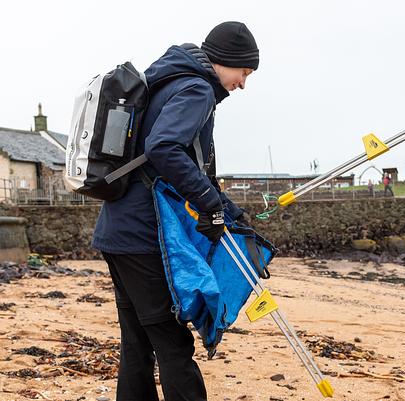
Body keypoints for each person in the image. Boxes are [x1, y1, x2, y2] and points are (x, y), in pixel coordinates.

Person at [91, 21, 259, 401]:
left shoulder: (169, 79)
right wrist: (210, 202)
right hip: (142, 236)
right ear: (226, 61)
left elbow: (182, 162)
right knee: (171, 343)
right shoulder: (197, 88)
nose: (243, 83)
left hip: (117, 231)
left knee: (137, 343)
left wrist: (227, 209)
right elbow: (165, 148)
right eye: (244, 72)